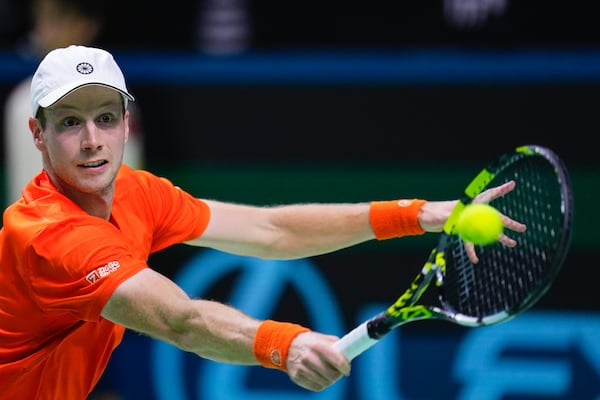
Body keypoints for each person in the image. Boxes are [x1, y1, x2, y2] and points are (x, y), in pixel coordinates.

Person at [0, 45, 525, 399]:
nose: (92, 138)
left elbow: (271, 231)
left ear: (126, 124)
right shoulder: (50, 235)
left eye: (105, 118)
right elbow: (181, 320)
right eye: (70, 122)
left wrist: (418, 215)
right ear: (38, 133)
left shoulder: (137, 191)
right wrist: (286, 344)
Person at [3, 0, 144, 207]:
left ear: (87, 25)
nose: (42, 29)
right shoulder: (24, 101)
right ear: (37, 131)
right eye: (70, 122)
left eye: (56, 18)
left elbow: (128, 196)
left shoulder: (119, 98)